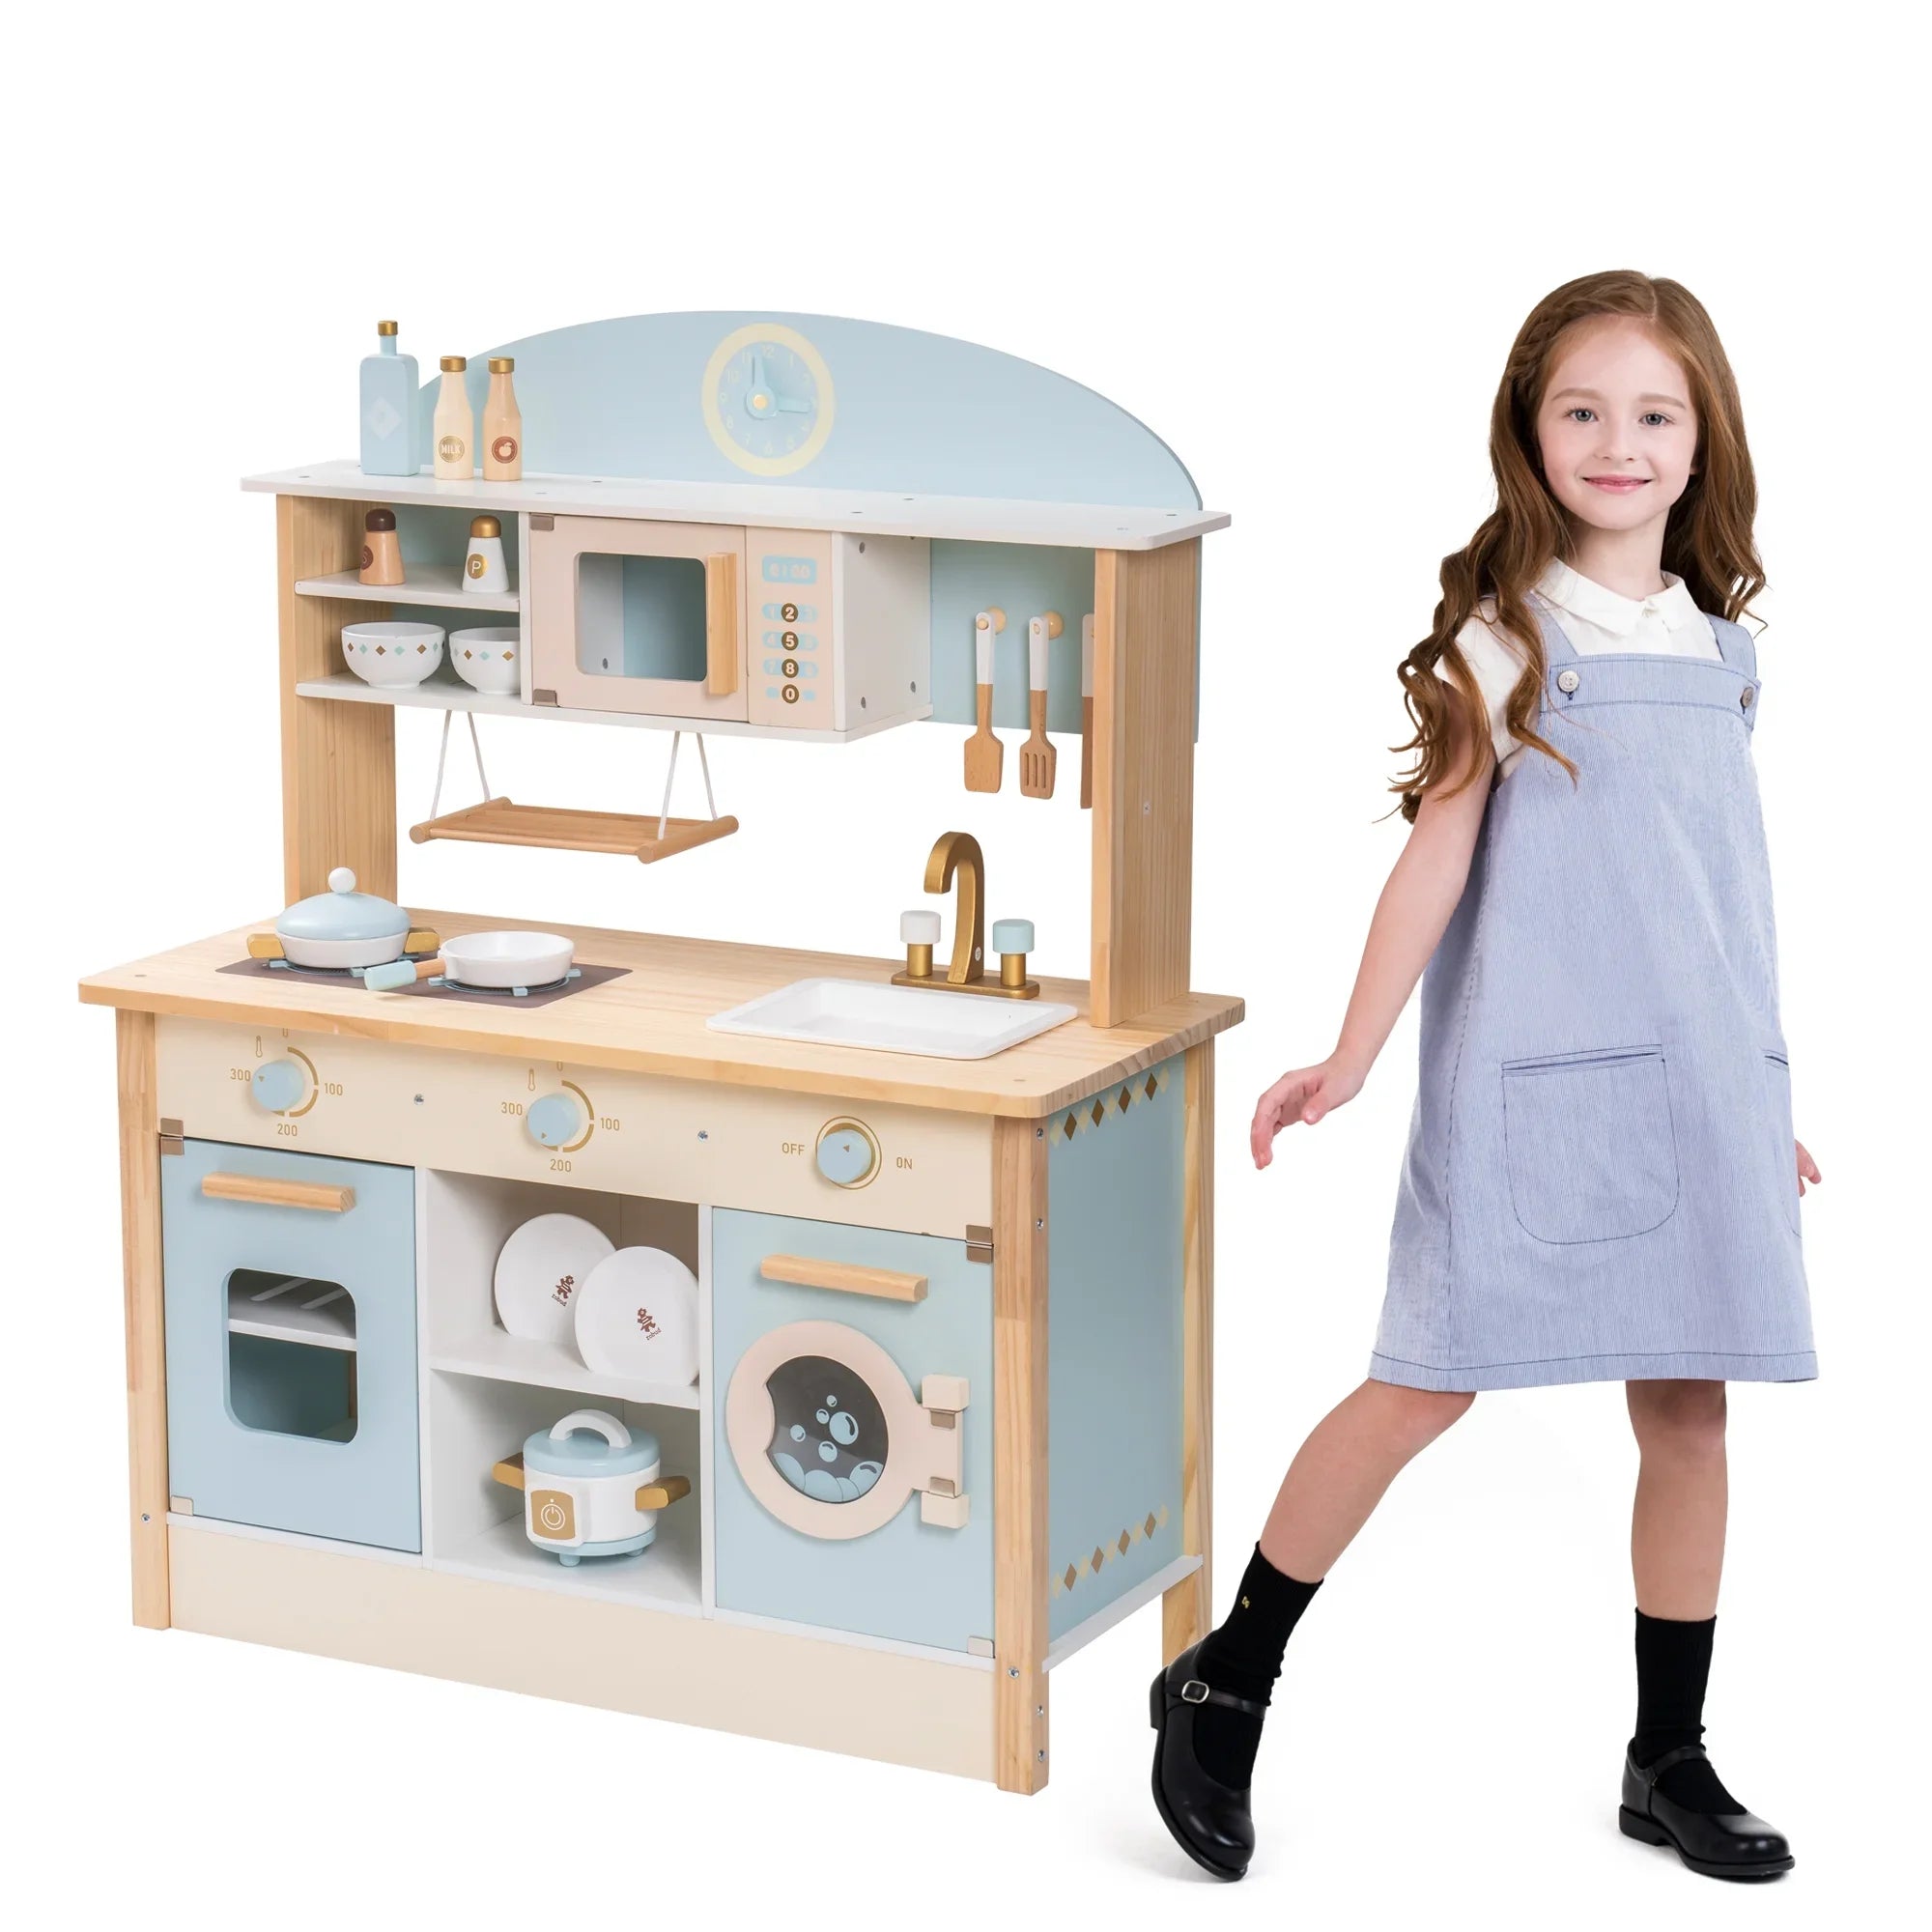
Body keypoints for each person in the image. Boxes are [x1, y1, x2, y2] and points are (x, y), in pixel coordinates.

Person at [1149, 270, 1817, 1884]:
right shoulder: (1505, 640)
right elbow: (1434, 862)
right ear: (1530, 430)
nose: (1618, 442)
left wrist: (1763, 1103)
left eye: (1653, 414)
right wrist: (1351, 1055)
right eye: (1582, 410)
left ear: (1702, 440)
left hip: (1702, 1096)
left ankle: (1668, 1757)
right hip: (1534, 1095)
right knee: (1423, 1383)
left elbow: (1711, 906)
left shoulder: (1725, 652)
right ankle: (1227, 1679)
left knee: (1691, 1410)